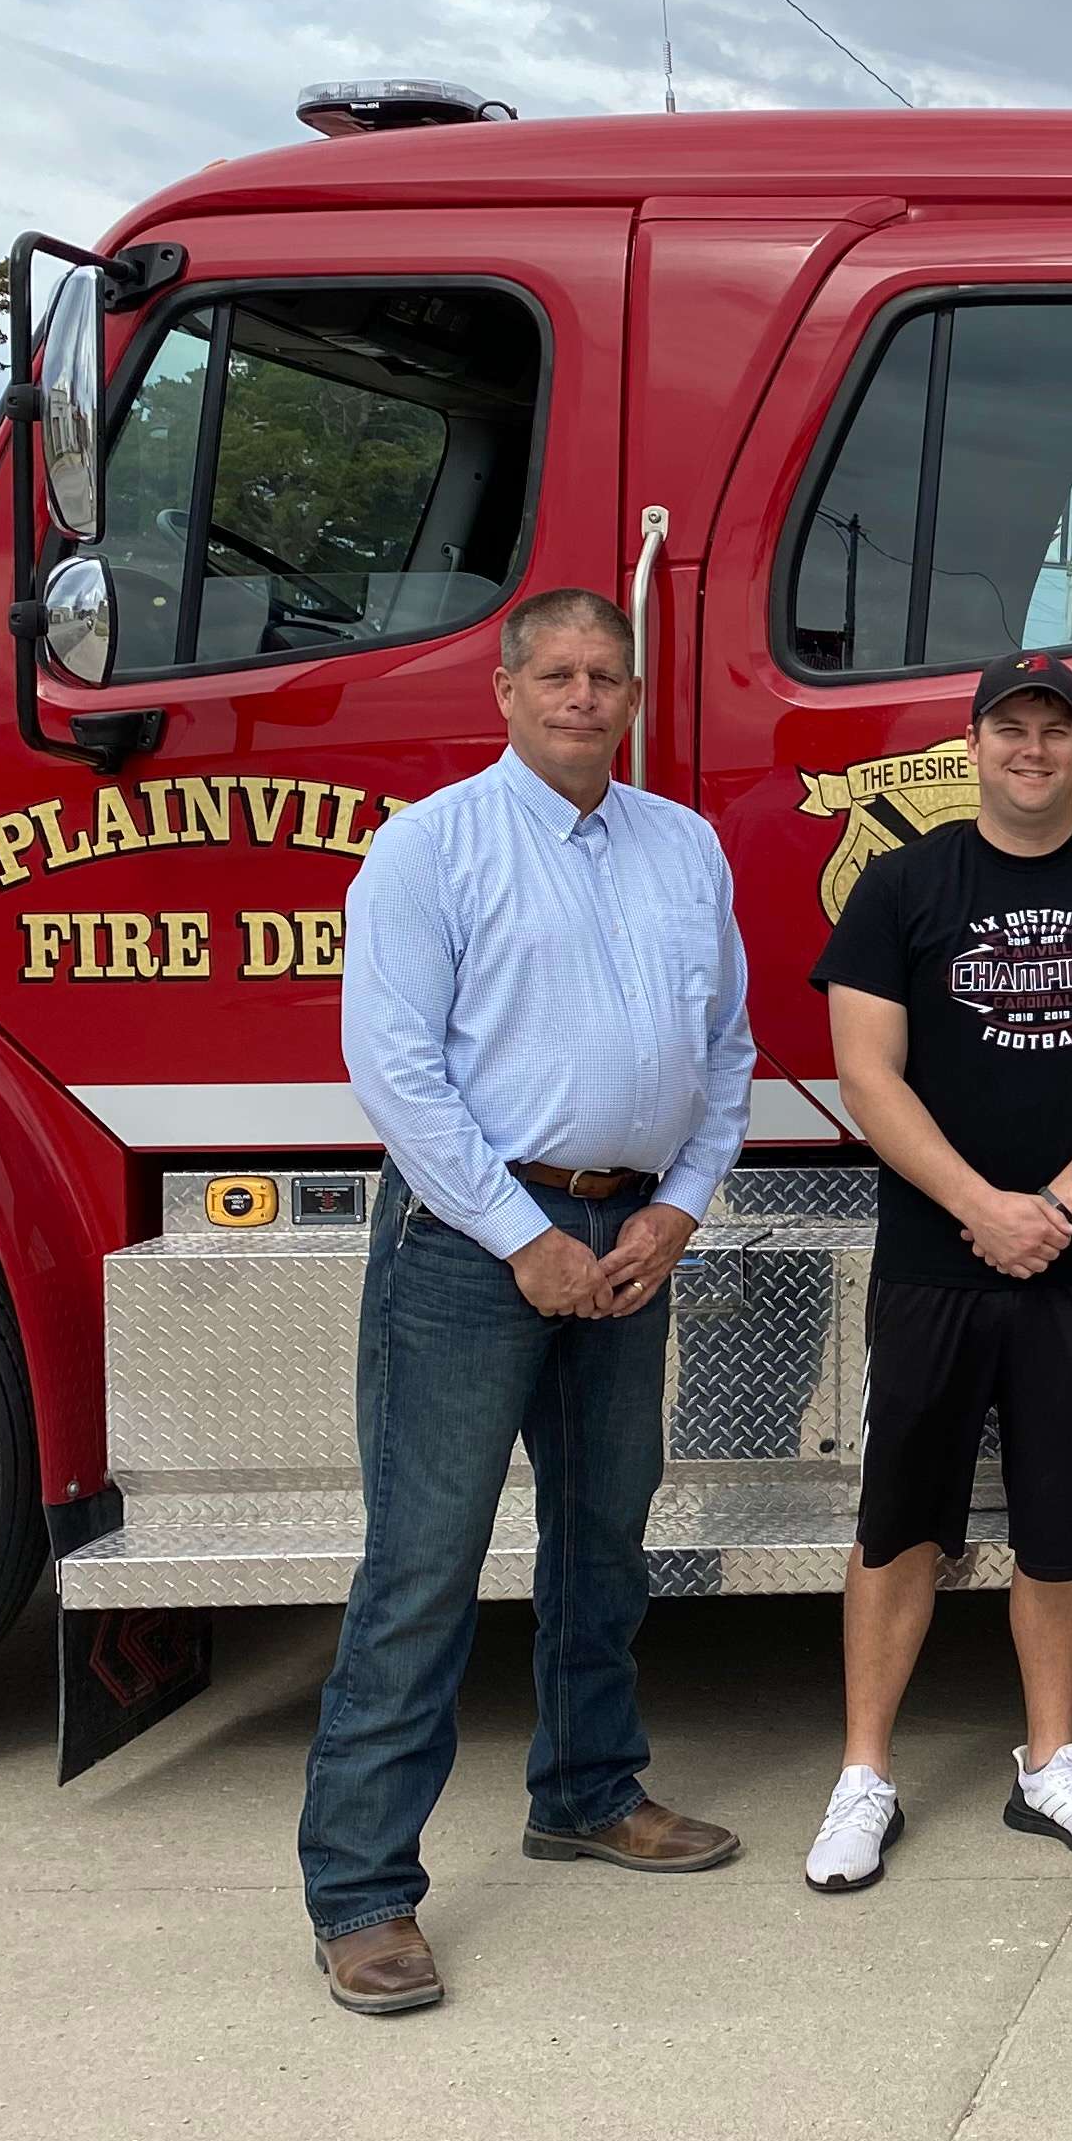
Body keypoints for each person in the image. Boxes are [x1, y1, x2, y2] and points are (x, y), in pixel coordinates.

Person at [301, 588, 754, 2016]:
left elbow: (728, 1052)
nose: (581, 696)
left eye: (604, 676)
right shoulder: (432, 846)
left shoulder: (686, 848)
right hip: (470, 1242)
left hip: (632, 1235)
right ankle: (365, 1894)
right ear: (502, 690)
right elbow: (398, 1072)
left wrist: (677, 1207)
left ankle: (586, 1791)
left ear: (633, 697)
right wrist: (520, 1235)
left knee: (605, 1540)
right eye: (554, 673)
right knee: (426, 1566)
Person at [799, 654, 1072, 1892]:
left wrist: (1058, 1204)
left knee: (1057, 1520)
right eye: (1010, 728)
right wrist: (981, 1206)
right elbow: (867, 1074)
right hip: (937, 1254)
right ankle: (864, 1776)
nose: (1033, 749)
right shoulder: (898, 885)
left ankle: (1051, 1763)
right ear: (971, 744)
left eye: (1055, 729)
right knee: (897, 1524)